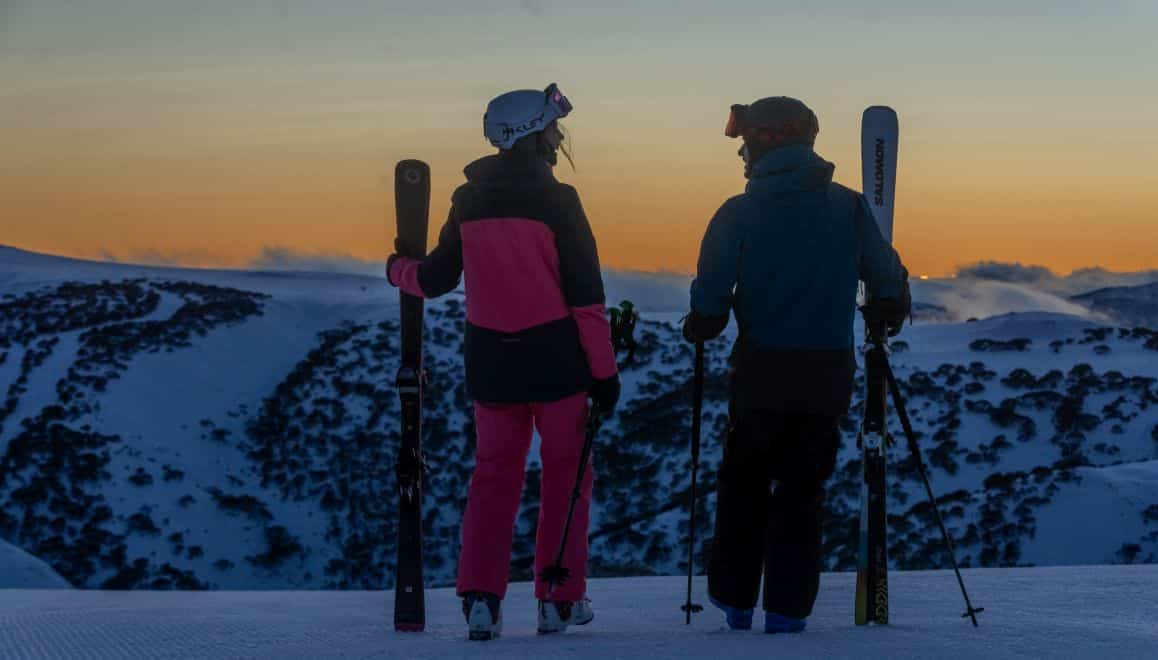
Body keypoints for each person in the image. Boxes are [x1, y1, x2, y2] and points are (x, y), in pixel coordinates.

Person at [385, 83, 620, 641]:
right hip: (558, 362)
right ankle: (558, 601)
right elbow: (586, 298)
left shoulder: (468, 201)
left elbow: (435, 279)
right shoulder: (561, 202)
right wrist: (605, 373)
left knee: (494, 479)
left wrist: (396, 268)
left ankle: (481, 602)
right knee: (566, 478)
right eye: (552, 128)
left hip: (490, 361)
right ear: (535, 136)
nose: (558, 136)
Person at [683, 97, 910, 634]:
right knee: (802, 492)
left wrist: (700, 324)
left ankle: (735, 600)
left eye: (744, 143)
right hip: (826, 373)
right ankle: (788, 611)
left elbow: (711, 304)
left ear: (765, 142)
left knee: (745, 483)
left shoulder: (737, 213)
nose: (740, 154)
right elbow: (885, 277)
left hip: (760, 372)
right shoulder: (849, 207)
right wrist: (888, 308)